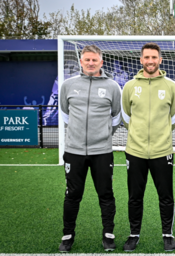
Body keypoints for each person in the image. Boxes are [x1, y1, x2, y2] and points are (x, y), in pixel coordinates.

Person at [58, 45, 122, 252]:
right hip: (74, 151)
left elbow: (115, 118)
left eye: (95, 60)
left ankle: (108, 235)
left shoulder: (112, 86)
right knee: (72, 195)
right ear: (81, 62)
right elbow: (66, 114)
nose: (91, 63)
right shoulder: (68, 85)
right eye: (87, 60)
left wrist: (102, 136)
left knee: (106, 194)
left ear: (101, 62)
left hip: (102, 151)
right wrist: (76, 136)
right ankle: (67, 236)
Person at [121, 42, 175, 252]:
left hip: (162, 150)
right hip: (135, 151)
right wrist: (138, 134)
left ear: (160, 60)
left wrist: (160, 133)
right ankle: (133, 234)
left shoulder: (171, 86)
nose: (150, 61)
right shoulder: (129, 86)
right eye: (146, 57)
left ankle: (167, 234)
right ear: (141, 60)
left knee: (165, 196)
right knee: (135, 196)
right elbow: (126, 116)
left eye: (154, 57)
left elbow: (174, 117)